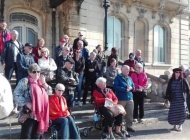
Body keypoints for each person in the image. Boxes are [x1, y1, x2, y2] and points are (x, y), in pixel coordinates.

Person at [14, 63, 52, 139]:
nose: (36, 73)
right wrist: (27, 103)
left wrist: (44, 83)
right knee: (26, 136)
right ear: (29, 72)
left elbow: (50, 92)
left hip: (39, 115)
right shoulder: (25, 81)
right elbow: (16, 94)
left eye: (38, 71)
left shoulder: (40, 82)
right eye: (34, 72)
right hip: (28, 114)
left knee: (37, 137)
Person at [113, 65, 135, 132]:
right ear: (122, 70)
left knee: (130, 113)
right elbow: (115, 87)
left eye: (128, 69)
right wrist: (124, 89)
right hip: (121, 98)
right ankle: (120, 127)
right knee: (120, 114)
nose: (128, 71)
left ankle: (129, 126)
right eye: (126, 69)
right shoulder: (118, 77)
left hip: (129, 98)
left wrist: (131, 88)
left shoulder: (129, 78)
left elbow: (133, 86)